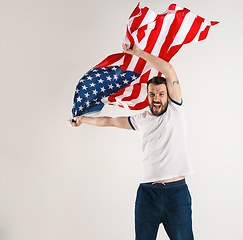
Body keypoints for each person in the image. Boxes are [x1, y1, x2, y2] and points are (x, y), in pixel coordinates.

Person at [72, 44, 195, 240]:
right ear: (147, 96)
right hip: (147, 196)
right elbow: (109, 121)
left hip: (176, 194)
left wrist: (137, 53)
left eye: (161, 94)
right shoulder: (141, 118)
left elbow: (169, 69)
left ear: (168, 95)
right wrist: (83, 119)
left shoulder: (175, 110)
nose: (156, 98)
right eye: (152, 94)